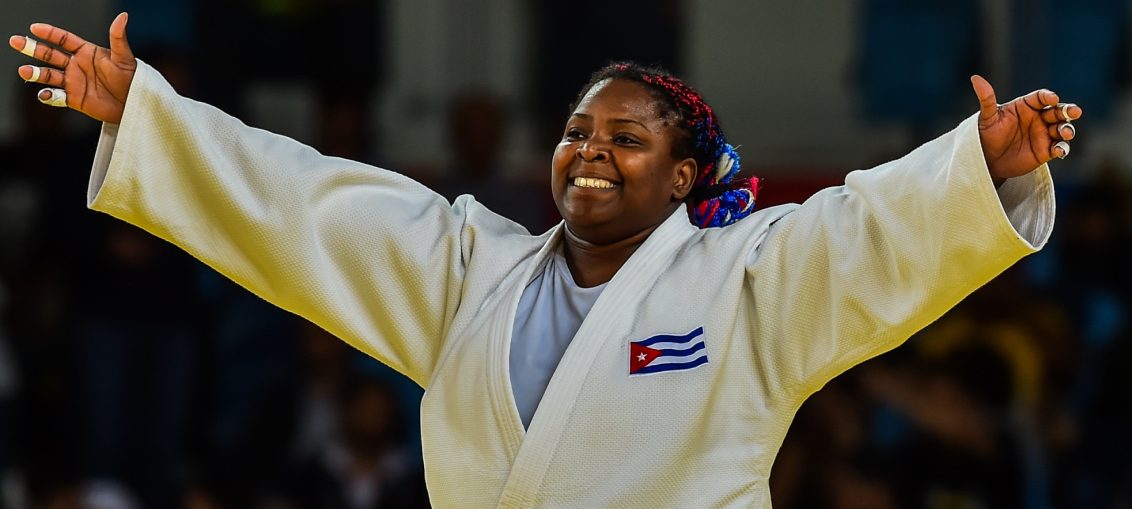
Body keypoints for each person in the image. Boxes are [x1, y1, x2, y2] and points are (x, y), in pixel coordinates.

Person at [8, 12, 1079, 508]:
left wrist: (974, 165)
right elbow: (300, 206)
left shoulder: (747, 280)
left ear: (682, 179)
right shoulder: (472, 269)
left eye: (627, 136)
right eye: (577, 128)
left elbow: (865, 227)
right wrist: (148, 117)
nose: (591, 150)